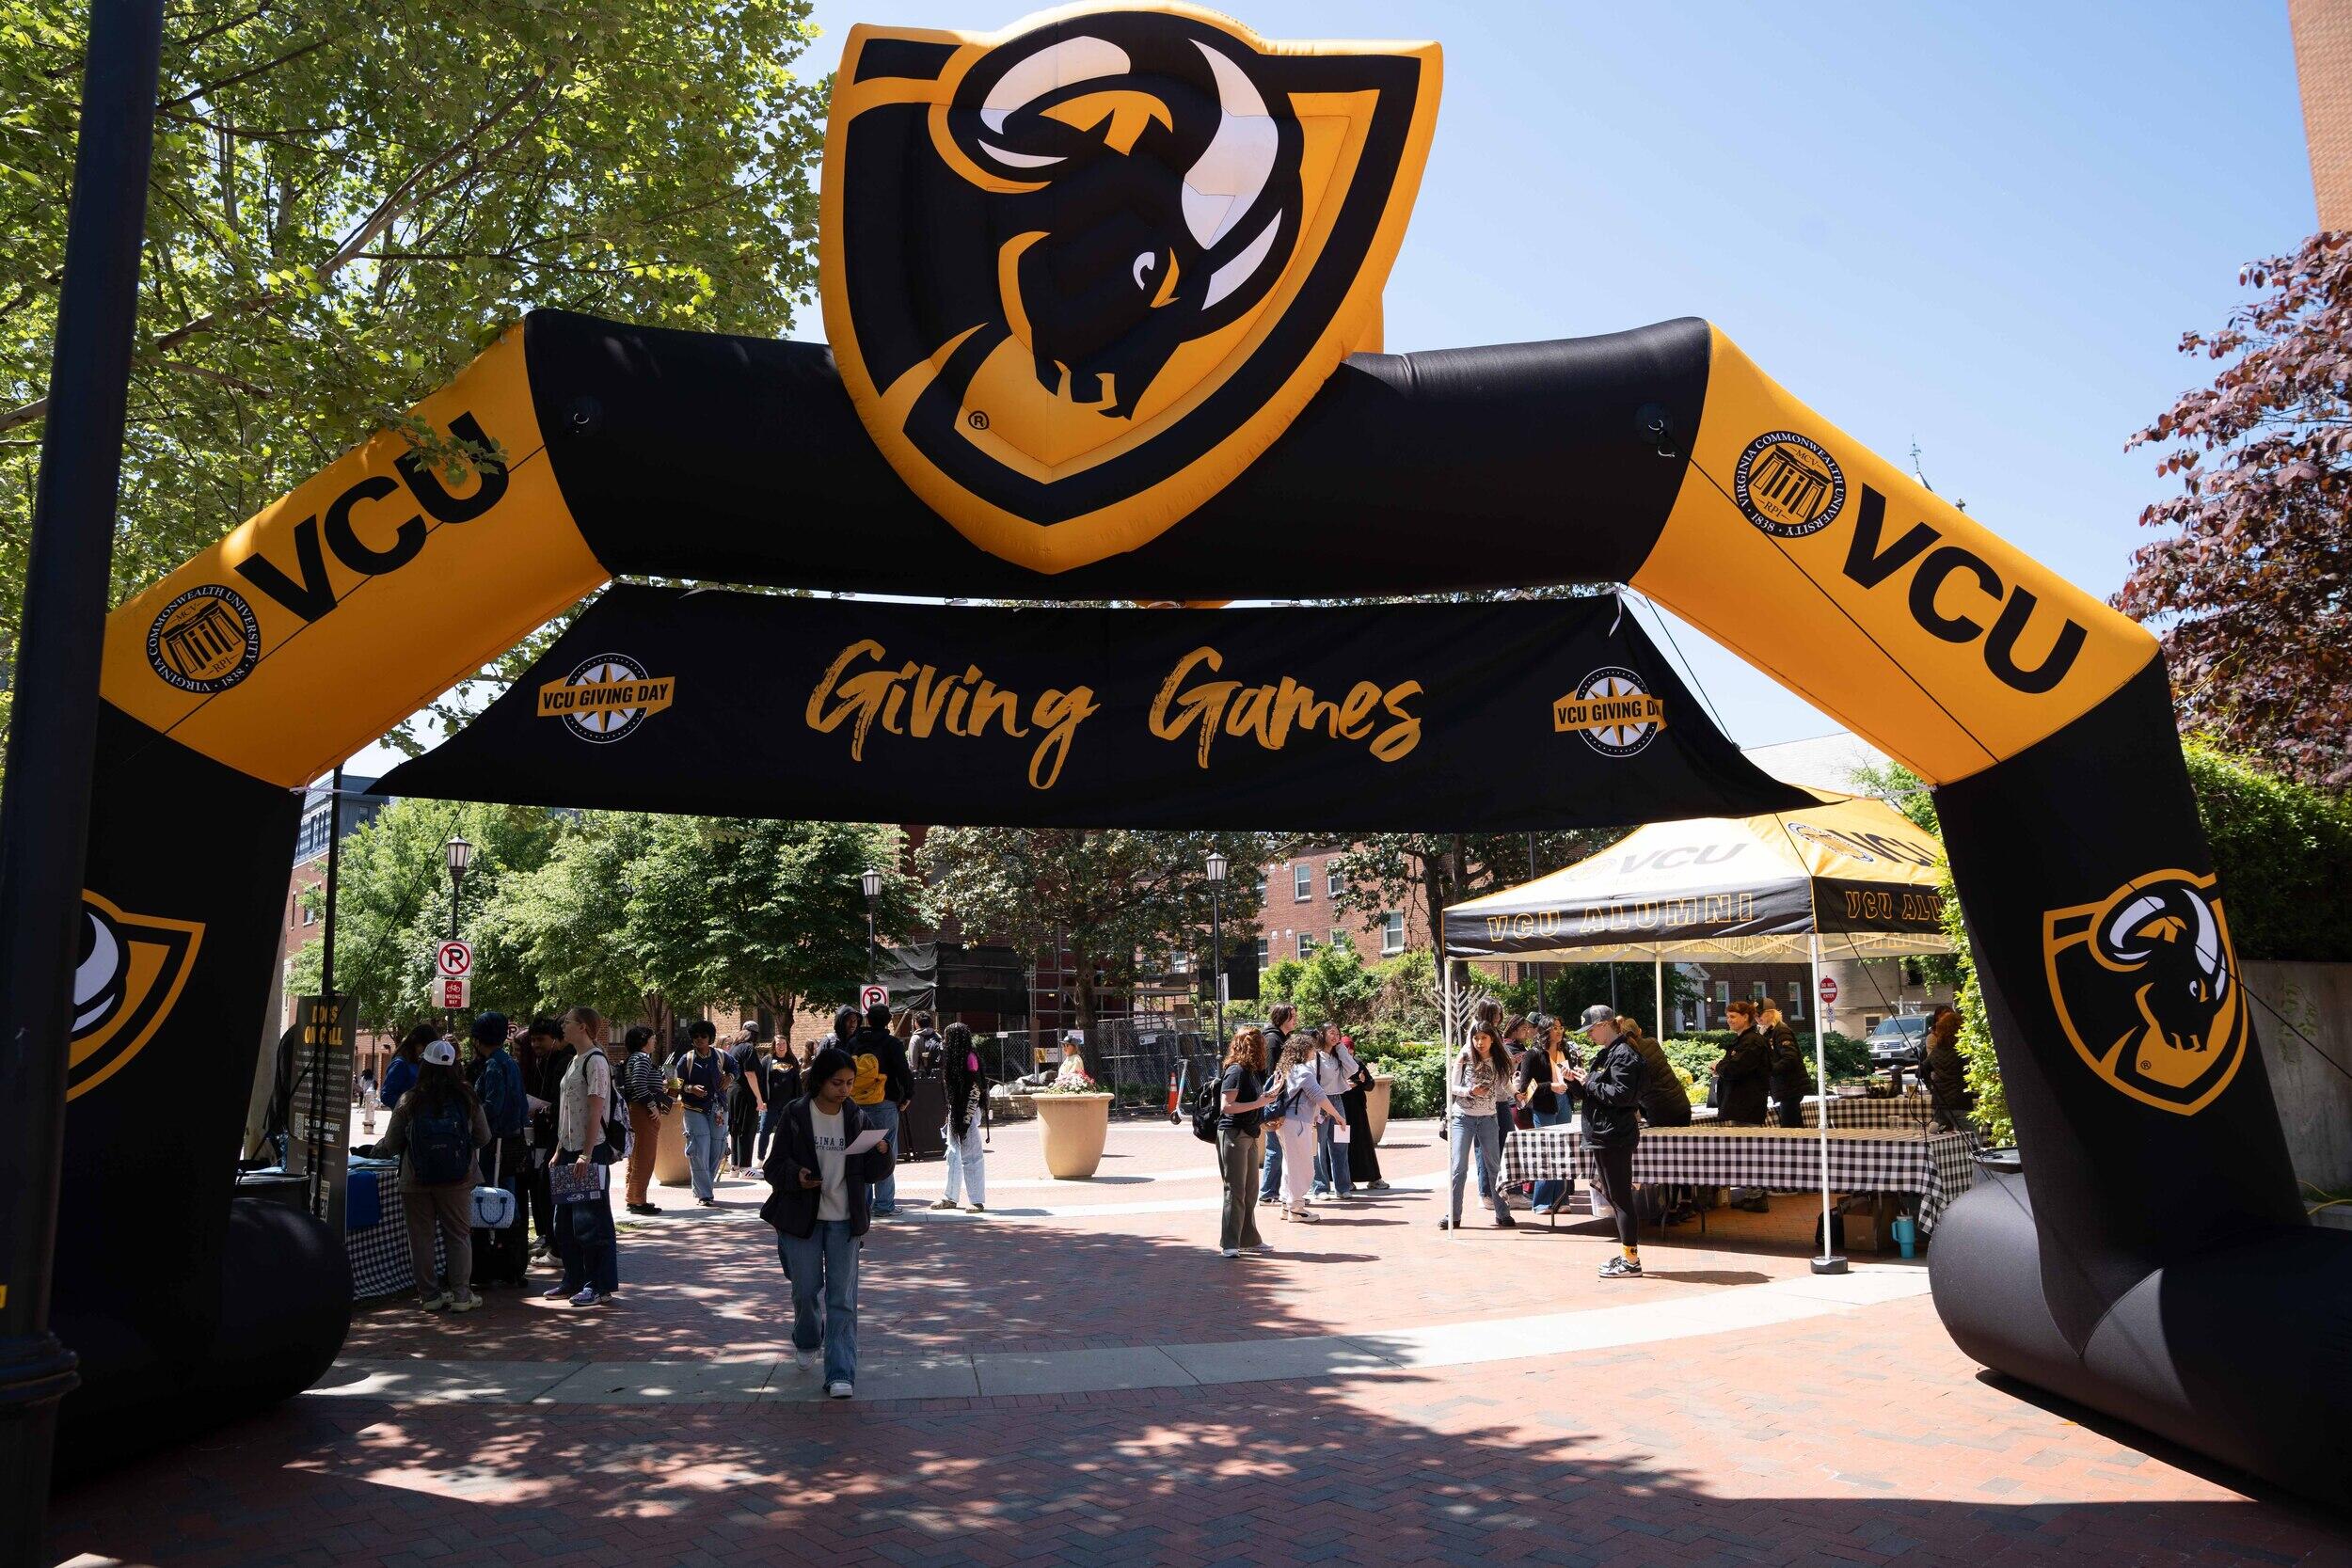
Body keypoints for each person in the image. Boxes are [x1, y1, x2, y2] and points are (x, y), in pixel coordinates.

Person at [761, 1042, 894, 1399]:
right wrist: (798, 1175)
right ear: (820, 1081)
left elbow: (872, 1173)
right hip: (802, 1219)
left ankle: (840, 1372)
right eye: (838, 1083)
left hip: (844, 1220)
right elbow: (773, 1167)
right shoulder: (795, 1114)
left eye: (850, 1083)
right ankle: (806, 1338)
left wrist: (883, 1153)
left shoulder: (856, 1117)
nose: (845, 1090)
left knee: (842, 1299)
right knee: (805, 1291)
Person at [377, 1038, 491, 1312]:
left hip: (415, 1179)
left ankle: (429, 1296)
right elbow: (483, 1137)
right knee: (459, 1236)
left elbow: (392, 1143)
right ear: (454, 1065)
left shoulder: (410, 1099)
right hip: (458, 1179)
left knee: (421, 1238)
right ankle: (462, 1296)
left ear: (424, 1065)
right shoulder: (467, 1098)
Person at [546, 1006, 620, 1307]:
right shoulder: (573, 1061)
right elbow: (567, 1110)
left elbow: (595, 1110)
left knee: (591, 1221)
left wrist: (586, 1155)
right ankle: (573, 1278)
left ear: (584, 1027)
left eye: (568, 1023)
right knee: (564, 1222)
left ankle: (598, 1285)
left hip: (591, 1151)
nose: (563, 1027)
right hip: (569, 1150)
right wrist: (560, 1149)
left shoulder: (596, 1062)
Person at [1580, 1005, 1649, 1279]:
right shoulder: (1608, 1053)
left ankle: (1631, 1260)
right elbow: (1598, 1091)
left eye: (1591, 1030)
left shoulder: (1623, 1055)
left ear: (1606, 1025)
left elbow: (1621, 1095)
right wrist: (1577, 1082)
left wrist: (1588, 1083)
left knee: (1621, 1199)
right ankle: (1627, 1255)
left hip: (1614, 1135)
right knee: (1615, 1196)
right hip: (1604, 1134)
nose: (1589, 1036)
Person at [467, 1011, 530, 1286]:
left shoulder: (493, 1066)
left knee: (489, 1201)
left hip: (494, 1145)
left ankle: (490, 1265)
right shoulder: (511, 1064)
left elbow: (492, 1106)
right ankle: (513, 1266)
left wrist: (471, 1119)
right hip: (512, 1140)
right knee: (509, 1200)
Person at [1440, 1022, 1516, 1231]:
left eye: (1484, 1038)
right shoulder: (1464, 1058)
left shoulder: (1499, 1061)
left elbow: (1505, 1083)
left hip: (1488, 1119)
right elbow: (1451, 1087)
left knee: (1494, 1167)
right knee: (1458, 1168)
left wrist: (1517, 1094)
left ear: (1492, 1039)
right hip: (1463, 1117)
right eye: (1476, 1038)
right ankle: (1453, 1214)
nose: (1479, 1042)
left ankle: (1503, 1213)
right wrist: (1470, 1091)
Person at [847, 1002, 914, 1217]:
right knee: (886, 1153)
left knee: (860, 1153)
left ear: (867, 1019)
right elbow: (904, 1072)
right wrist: (907, 1096)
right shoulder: (892, 1043)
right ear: (888, 1021)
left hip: (857, 1104)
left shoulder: (854, 1042)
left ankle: (862, 1205)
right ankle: (884, 1205)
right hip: (885, 1103)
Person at [1271, 1029, 1344, 1223]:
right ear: (1304, 1050)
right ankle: (1296, 1207)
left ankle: (1288, 1204)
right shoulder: (1303, 1071)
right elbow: (1318, 1095)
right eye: (1312, 1048)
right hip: (1297, 1122)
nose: (1315, 1051)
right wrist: (1337, 1115)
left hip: (1284, 1122)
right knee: (1303, 1166)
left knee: (1290, 1163)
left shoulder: (1285, 1068)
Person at [1216, 1027, 1274, 1258]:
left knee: (1250, 1190)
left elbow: (1255, 1102)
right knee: (1235, 1190)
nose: (1264, 1048)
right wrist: (1259, 1104)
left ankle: (1249, 1239)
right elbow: (1226, 1106)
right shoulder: (1236, 1071)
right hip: (1234, 1133)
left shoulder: (1251, 1072)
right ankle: (1229, 1243)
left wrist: (1265, 1108)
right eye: (1260, 1044)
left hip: (1249, 1134)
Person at [1517, 1013, 1577, 1214]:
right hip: (1544, 1105)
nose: (1559, 1031)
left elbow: (1571, 1078)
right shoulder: (1533, 1054)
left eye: (1561, 1027)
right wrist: (1550, 1086)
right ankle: (1541, 1202)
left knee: (1563, 1152)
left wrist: (1571, 1079)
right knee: (1547, 1152)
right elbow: (1525, 1086)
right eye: (1555, 1027)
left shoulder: (1565, 1050)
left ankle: (1561, 1200)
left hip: (1564, 1102)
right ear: (1545, 1031)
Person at [521, 1015, 571, 1259]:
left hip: (561, 1137)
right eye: (532, 1040)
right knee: (541, 1187)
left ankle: (558, 1246)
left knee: (549, 1188)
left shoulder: (565, 1062)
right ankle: (551, 1240)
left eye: (540, 1039)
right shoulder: (544, 1062)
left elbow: (562, 1102)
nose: (535, 1045)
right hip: (546, 1134)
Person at [931, 1022, 989, 1212]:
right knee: (953, 1155)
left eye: (947, 1037)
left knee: (971, 1157)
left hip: (967, 1112)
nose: (944, 1040)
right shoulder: (954, 1058)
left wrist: (966, 1117)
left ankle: (977, 1200)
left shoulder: (969, 1058)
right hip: (956, 1111)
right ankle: (950, 1197)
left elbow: (975, 1088)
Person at [673, 1021, 729, 1206]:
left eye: (703, 1036)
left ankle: (707, 1188)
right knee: (699, 1150)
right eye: (695, 1036)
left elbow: (736, 1067)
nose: (699, 1039)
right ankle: (704, 1194)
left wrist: (730, 1077)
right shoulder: (686, 1059)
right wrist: (690, 1088)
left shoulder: (720, 1055)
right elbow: (675, 1083)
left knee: (716, 1150)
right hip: (694, 1110)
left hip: (717, 1108)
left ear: (710, 1038)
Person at [619, 1025, 669, 1215]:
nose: (655, 1041)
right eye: (652, 1038)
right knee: (644, 1156)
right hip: (642, 1112)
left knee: (636, 1156)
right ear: (643, 1041)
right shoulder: (641, 1058)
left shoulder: (634, 1059)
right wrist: (652, 1105)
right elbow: (638, 1084)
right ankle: (637, 1200)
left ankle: (633, 1196)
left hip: (635, 1110)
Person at [1255, 1002, 1297, 1203]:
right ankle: (1268, 1192)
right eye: (1292, 1016)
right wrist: (1274, 1101)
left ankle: (1273, 1190)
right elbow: (1273, 1075)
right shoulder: (1273, 1040)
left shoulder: (1281, 1038)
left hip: (1279, 1098)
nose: (1295, 1020)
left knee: (1279, 1146)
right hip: (1275, 1099)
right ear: (1282, 1018)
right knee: (1275, 1147)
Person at [1335, 1030, 1388, 1191]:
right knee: (1342, 1146)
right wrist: (1344, 1085)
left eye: (1351, 1050)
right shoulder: (1334, 1064)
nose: (1349, 1053)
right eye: (1346, 1049)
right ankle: (1345, 1181)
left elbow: (1370, 1085)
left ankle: (1374, 1178)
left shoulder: (1357, 1063)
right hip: (1340, 1112)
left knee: (1364, 1145)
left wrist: (1362, 1082)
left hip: (1358, 1112)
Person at [1308, 1029, 1356, 1199]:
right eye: (1331, 1033)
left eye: (1338, 1033)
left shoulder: (1337, 1057)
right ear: (1323, 1035)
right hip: (1320, 1101)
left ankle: (1343, 1187)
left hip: (1337, 1101)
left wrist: (1341, 1047)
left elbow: (1353, 1068)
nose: (1336, 1037)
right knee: (1319, 1146)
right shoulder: (1316, 1057)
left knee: (1341, 1145)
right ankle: (1320, 1187)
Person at [1622, 1017, 1693, 1127]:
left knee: (1664, 1144)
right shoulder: (1653, 1043)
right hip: (1681, 1105)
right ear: (1639, 1031)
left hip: (1659, 1111)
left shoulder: (1628, 1057)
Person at [1713, 999, 1772, 1126]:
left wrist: (1718, 1066)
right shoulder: (1742, 1040)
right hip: (1740, 1106)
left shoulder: (1751, 1042)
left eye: (1733, 1016)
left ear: (1745, 1017)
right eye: (1727, 1016)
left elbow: (1733, 1070)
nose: (1729, 1020)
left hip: (1747, 1107)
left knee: (1748, 1144)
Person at [1921, 1004, 1974, 1131]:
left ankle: (1937, 1126)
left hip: (1939, 1103)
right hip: (1959, 1102)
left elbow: (1920, 1071)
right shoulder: (1962, 1050)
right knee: (1973, 1141)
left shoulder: (1937, 1050)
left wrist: (1931, 1085)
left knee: (1942, 1142)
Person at [1760, 997, 1807, 1128]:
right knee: (1794, 1124)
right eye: (1755, 1015)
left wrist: (1771, 1069)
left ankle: (1797, 1147)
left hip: (1790, 1086)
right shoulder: (1769, 1032)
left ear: (1770, 1013)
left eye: (1760, 1014)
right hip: (1786, 1087)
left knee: (1790, 1126)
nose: (1757, 1018)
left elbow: (1790, 1057)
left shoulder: (1780, 1030)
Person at [758, 1037, 805, 1164]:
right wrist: (761, 1100)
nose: (781, 1046)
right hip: (771, 1104)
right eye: (778, 1044)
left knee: (786, 1132)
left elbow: (797, 1082)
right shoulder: (767, 1060)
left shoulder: (792, 1060)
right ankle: (761, 1159)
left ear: (787, 1045)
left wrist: (799, 1101)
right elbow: (761, 1082)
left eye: (783, 1044)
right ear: (774, 1045)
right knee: (764, 1131)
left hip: (788, 1104)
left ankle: (782, 1157)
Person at [728, 1024, 767, 1172]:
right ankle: (745, 1168)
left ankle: (735, 1166)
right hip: (745, 1093)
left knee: (735, 1128)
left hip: (732, 1092)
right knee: (747, 1128)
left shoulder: (734, 1048)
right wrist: (758, 1097)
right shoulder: (748, 1048)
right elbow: (749, 1073)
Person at [379, 1024, 433, 1113]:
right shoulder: (400, 1063)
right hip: (406, 1120)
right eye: (426, 1046)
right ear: (416, 1044)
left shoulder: (420, 1063)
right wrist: (410, 1108)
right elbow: (386, 1095)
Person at [910, 1011, 945, 1078]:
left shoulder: (915, 1038)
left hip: (921, 1077)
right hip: (937, 1075)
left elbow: (912, 1063)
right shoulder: (937, 1036)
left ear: (916, 1023)